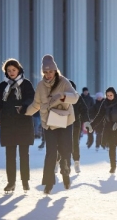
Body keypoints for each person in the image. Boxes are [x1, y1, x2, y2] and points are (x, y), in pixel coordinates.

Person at [25, 54, 79, 194]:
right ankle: (48, 183)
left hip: (65, 121)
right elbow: (36, 104)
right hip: (48, 123)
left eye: (50, 71)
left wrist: (62, 96)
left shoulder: (63, 82)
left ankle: (65, 171)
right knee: (50, 153)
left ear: (55, 70)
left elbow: (75, 98)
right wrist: (25, 113)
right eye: (45, 72)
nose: (48, 74)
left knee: (65, 150)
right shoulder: (40, 85)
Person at [0, 58, 35, 193]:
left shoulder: (26, 84)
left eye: (14, 70)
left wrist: (24, 105)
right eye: (9, 70)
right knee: (10, 155)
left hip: (23, 122)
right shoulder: (2, 86)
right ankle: (11, 182)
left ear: (19, 70)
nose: (11, 72)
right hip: (8, 124)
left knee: (24, 155)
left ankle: (25, 181)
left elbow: (31, 98)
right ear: (6, 72)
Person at [86, 87, 117, 173]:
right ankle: (113, 166)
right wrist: (92, 125)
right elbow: (100, 115)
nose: (109, 97)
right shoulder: (104, 103)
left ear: (114, 94)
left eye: (111, 95)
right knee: (111, 147)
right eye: (107, 95)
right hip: (110, 127)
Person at [69, 80, 89, 173]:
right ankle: (57, 161)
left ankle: (76, 162)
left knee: (74, 143)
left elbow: (84, 110)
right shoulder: (61, 96)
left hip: (75, 123)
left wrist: (86, 121)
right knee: (60, 143)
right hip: (62, 123)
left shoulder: (78, 97)